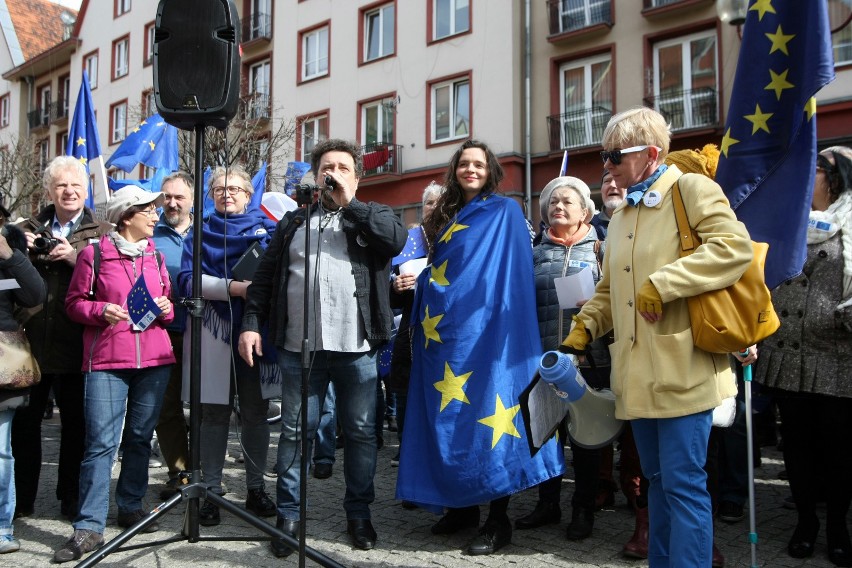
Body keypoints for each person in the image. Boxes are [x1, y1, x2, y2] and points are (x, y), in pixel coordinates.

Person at [560, 107, 752, 567]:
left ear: (649, 153)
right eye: (602, 156)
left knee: (684, 484)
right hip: (637, 377)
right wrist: (583, 328)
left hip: (684, 369)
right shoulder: (624, 213)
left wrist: (664, 284)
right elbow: (609, 290)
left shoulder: (691, 189)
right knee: (658, 482)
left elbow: (734, 248)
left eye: (614, 156)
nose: (605, 165)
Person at [396, 139, 564, 556]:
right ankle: (462, 507)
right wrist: (423, 285)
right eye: (464, 164)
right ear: (455, 170)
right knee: (453, 419)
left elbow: (507, 273)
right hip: (448, 335)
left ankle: (498, 519)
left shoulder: (505, 210)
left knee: (495, 416)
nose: (471, 170)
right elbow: (446, 271)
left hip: (490, 332)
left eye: (479, 164)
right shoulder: (448, 216)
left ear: (491, 170)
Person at [239, 138, 406, 556]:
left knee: (363, 433)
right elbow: (264, 279)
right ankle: (289, 516)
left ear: (355, 177)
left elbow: (395, 241)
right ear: (314, 176)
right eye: (326, 167)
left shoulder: (374, 215)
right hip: (300, 349)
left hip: (358, 348)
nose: (333, 173)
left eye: (343, 168)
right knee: (295, 433)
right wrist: (251, 324)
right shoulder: (293, 223)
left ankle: (358, 515)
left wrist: (350, 203)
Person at [53, 186, 175, 563]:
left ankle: (130, 506)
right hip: (107, 361)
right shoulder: (94, 253)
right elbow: (73, 304)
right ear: (127, 216)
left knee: (139, 439)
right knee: (101, 444)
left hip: (154, 361)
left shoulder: (155, 256)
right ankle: (89, 526)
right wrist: (100, 310)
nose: (156, 216)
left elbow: (167, 307)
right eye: (149, 211)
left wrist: (166, 307)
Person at [752, 145, 852, 567]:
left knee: (838, 450)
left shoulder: (851, 221)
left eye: (815, 169)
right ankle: (806, 522)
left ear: (835, 176)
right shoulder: (787, 221)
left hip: (838, 356)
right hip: (788, 355)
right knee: (797, 449)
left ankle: (836, 529)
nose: (805, 175)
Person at [12, 156, 112, 521]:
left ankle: (69, 498)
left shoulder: (103, 232)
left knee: (76, 426)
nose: (69, 192)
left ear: (86, 190)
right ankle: (21, 501)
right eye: (61, 186)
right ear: (49, 190)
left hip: (79, 344)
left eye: (75, 186)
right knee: (25, 426)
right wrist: (17, 253)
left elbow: (112, 287)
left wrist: (74, 257)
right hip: (29, 344)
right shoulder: (23, 229)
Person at [178, 166, 278, 527]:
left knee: (255, 413)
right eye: (219, 189)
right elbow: (187, 280)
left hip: (257, 333)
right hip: (212, 332)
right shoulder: (199, 232)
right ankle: (211, 491)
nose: (228, 194)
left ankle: (255, 488)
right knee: (213, 416)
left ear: (249, 195)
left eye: (236, 189)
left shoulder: (269, 232)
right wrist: (235, 288)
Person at [516, 175, 605, 541]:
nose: (558, 206)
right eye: (552, 201)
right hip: (544, 361)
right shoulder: (534, 254)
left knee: (586, 439)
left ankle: (583, 509)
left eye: (567, 201)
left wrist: (597, 302)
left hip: (591, 361)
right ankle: (547, 503)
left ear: (585, 211)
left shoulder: (601, 251)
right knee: (547, 435)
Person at [388, 181, 444, 468]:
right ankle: (407, 446)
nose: (434, 207)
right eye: (429, 202)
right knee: (405, 390)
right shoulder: (408, 241)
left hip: (446, 331)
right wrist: (396, 285)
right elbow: (390, 292)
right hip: (411, 329)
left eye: (440, 202)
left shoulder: (455, 238)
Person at [0, 217, 47, 554]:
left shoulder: (7, 247)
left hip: (2, 366)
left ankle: (2, 528)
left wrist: (8, 253)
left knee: (1, 451)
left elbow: (35, 294)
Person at [151, 171, 193, 498]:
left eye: (179, 196)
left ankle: (206, 469)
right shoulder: (149, 233)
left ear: (192, 199)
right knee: (166, 407)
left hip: (205, 332)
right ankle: (179, 472)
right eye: (167, 196)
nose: (172, 202)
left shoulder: (209, 231)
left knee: (208, 405)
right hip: (163, 333)